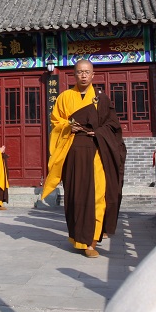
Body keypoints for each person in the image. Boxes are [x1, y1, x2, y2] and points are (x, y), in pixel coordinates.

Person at [41, 60, 126, 258]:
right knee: (76, 196)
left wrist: (98, 132)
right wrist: (69, 125)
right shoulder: (64, 97)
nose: (84, 75)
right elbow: (56, 121)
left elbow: (113, 125)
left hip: (97, 150)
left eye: (87, 72)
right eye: (80, 72)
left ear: (93, 74)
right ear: (74, 74)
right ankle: (78, 237)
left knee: (98, 195)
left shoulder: (101, 99)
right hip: (73, 151)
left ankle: (91, 242)